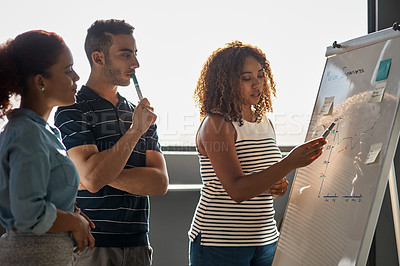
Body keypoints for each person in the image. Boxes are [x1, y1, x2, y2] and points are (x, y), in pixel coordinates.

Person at [188, 41, 327, 266]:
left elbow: (264, 179)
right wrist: (290, 162)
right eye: (246, 78)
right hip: (221, 243)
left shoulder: (265, 122)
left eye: (261, 76)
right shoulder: (216, 124)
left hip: (265, 240)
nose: (257, 84)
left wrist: (278, 186)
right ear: (225, 82)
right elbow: (237, 190)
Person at [54, 19, 169, 266]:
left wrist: (92, 174)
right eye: (126, 55)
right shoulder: (72, 109)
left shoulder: (140, 113)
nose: (135, 64)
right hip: (92, 246)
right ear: (99, 58)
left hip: (139, 244)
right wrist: (135, 131)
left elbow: (159, 183)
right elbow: (93, 178)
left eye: (135, 54)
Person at [0, 30, 95, 266]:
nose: (77, 76)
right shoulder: (27, 133)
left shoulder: (43, 131)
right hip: (32, 257)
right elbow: (28, 212)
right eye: (67, 70)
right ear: (41, 82)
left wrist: (71, 214)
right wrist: (74, 222)